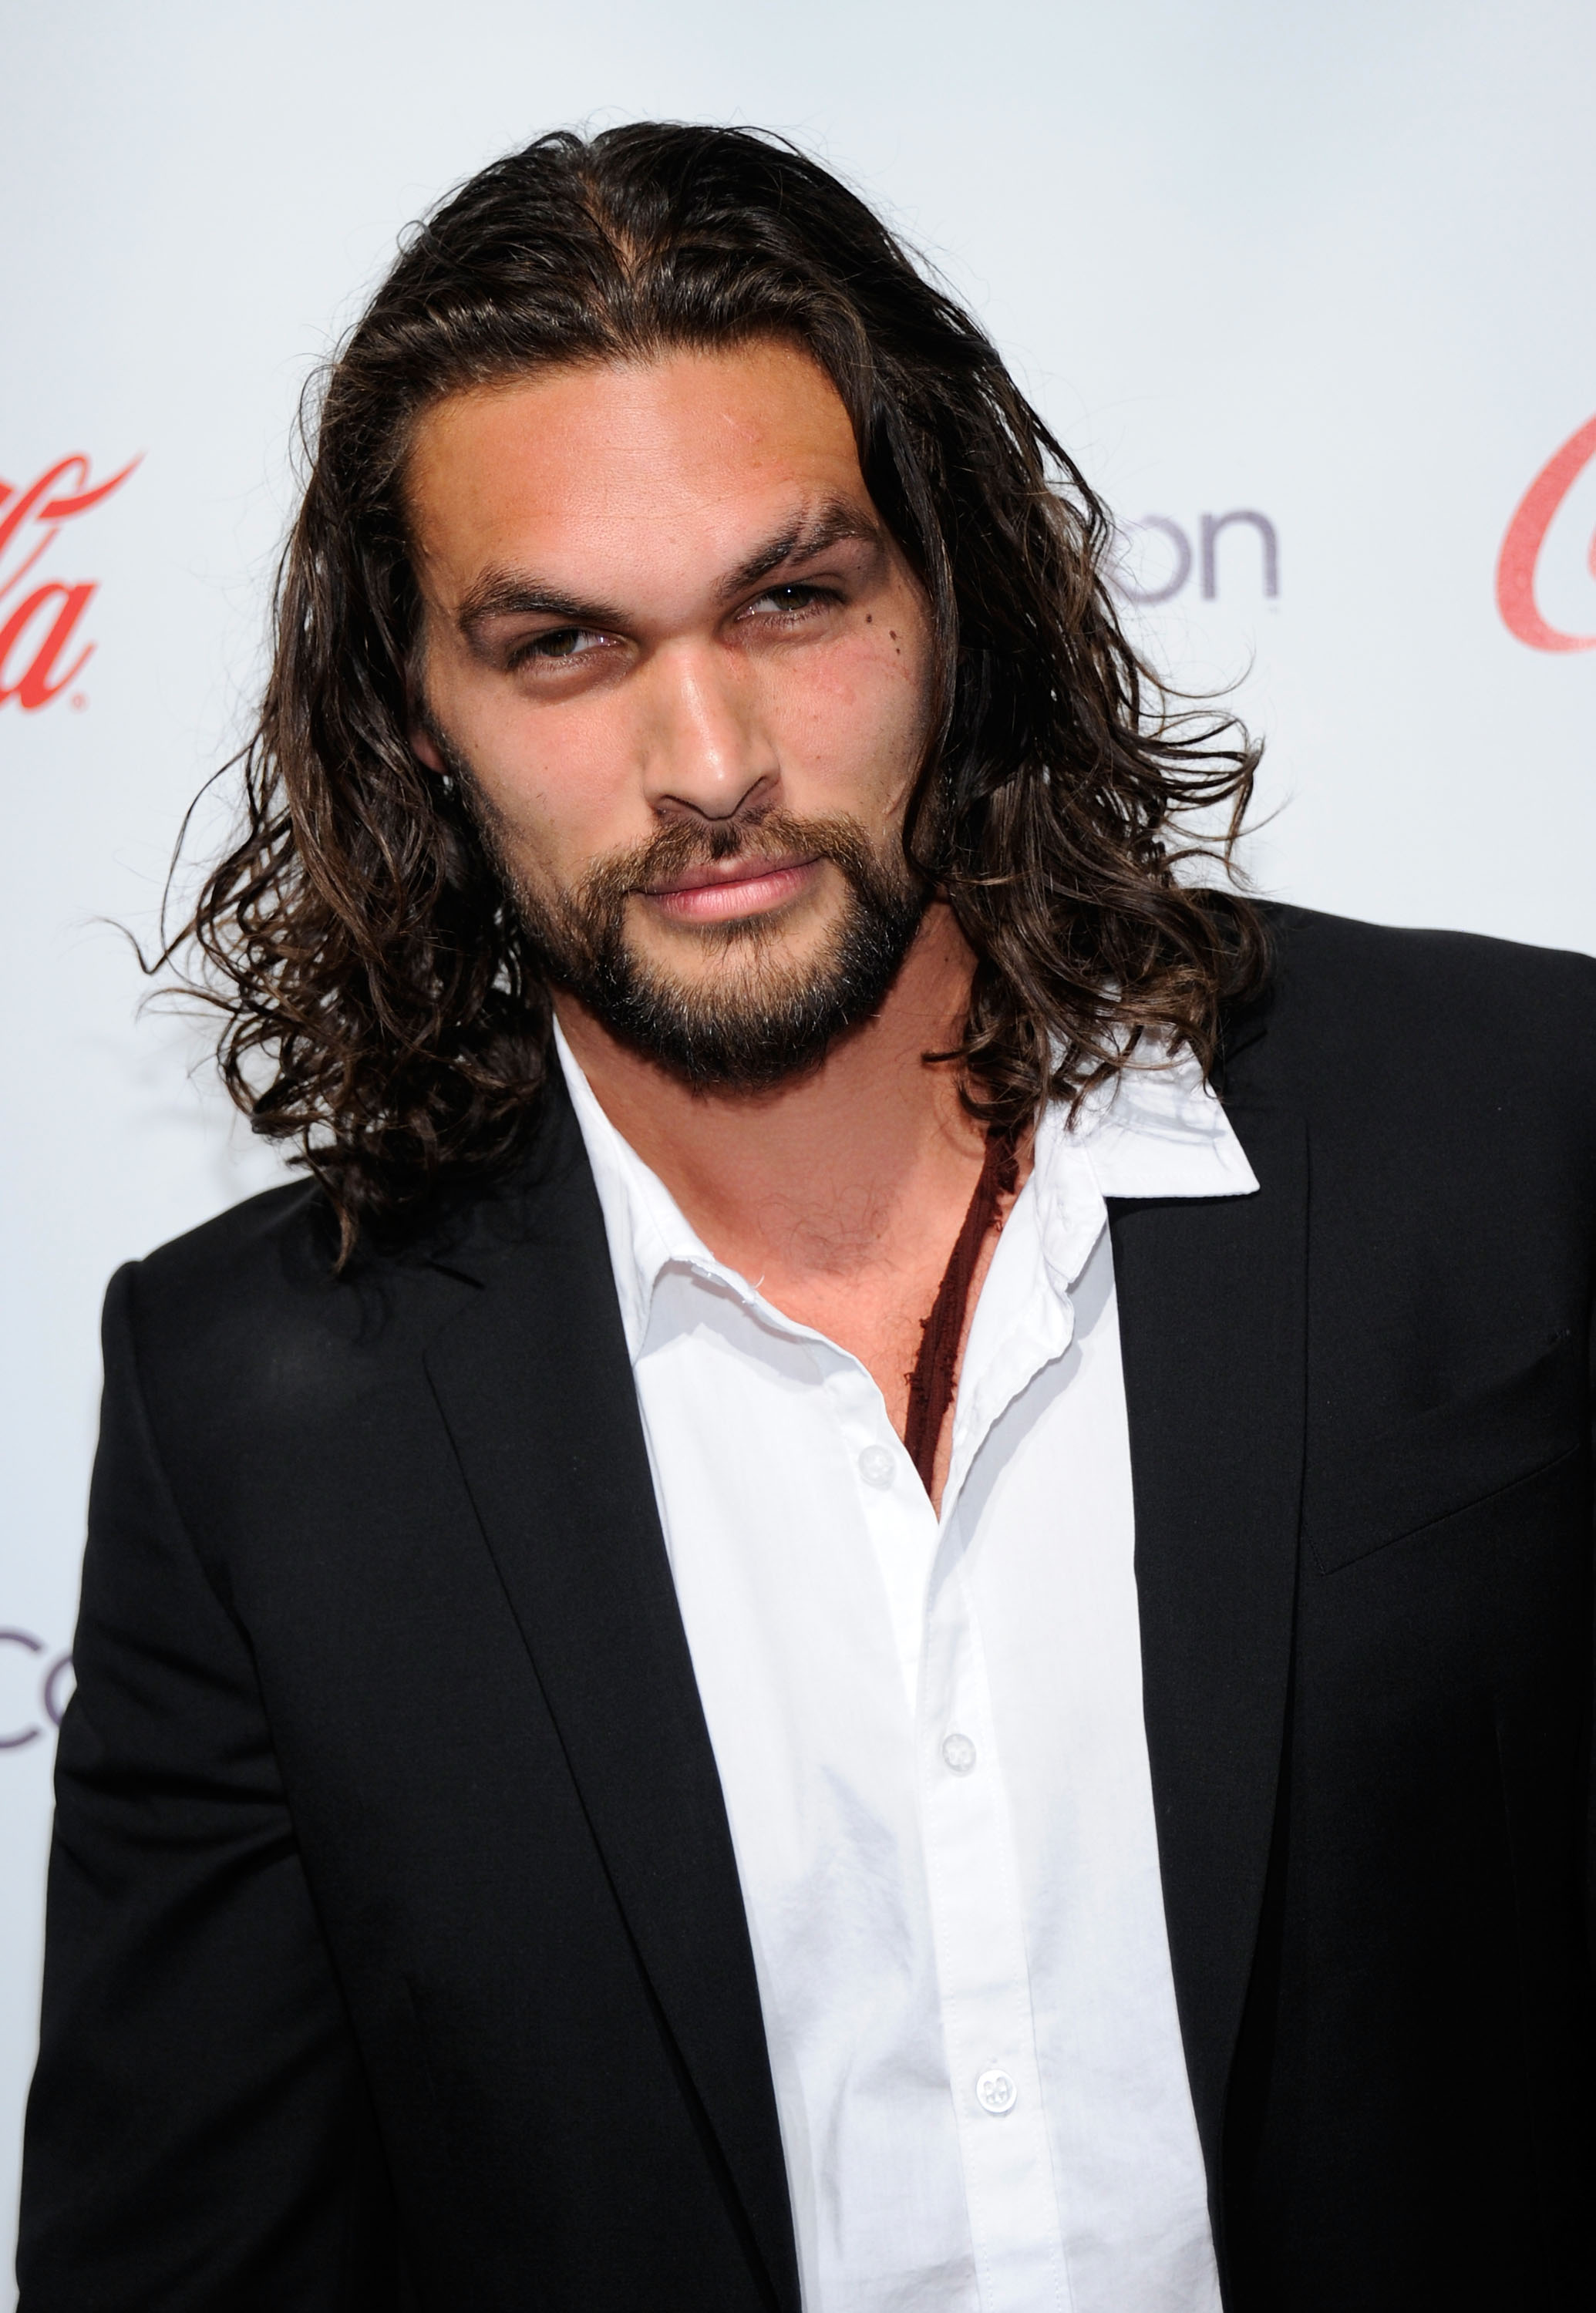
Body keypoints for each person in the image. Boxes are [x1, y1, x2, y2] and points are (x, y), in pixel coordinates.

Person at [16, 123, 1594, 2313]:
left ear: (956, 593)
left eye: (792, 598)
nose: (709, 754)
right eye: (563, 646)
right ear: (416, 718)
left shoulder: (1518, 1137)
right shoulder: (257, 1415)